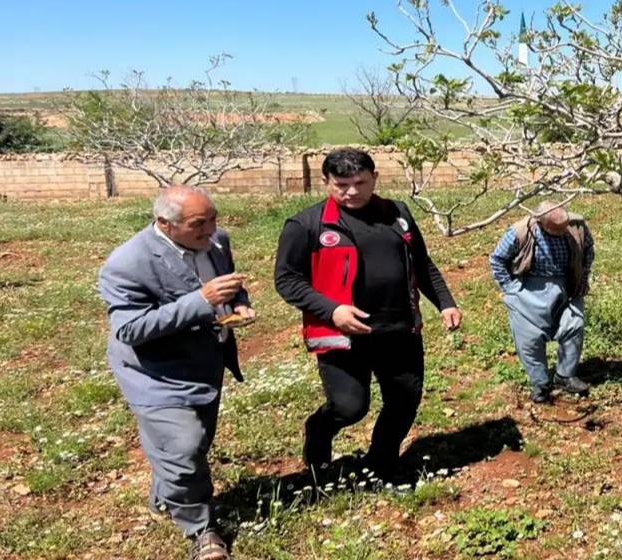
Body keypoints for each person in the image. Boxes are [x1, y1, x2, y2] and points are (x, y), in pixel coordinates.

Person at [274, 148, 462, 481]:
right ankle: (319, 433)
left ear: (375, 178)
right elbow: (287, 280)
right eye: (341, 184)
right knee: (350, 407)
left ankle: (382, 461)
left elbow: (422, 262)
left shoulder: (397, 214)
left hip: (399, 329)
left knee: (404, 400)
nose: (351, 192)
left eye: (360, 182)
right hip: (344, 335)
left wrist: (445, 302)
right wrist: (332, 311)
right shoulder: (306, 225)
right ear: (326, 182)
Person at [100, 186, 252, 560]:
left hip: (203, 364)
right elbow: (130, 329)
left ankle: (166, 490)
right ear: (165, 224)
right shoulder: (127, 263)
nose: (212, 229)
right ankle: (202, 530)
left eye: (214, 218)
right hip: (155, 373)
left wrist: (239, 304)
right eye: (200, 224)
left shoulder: (217, 242)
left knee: (194, 443)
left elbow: (228, 286)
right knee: (184, 449)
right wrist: (201, 301)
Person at [490, 200, 595, 404]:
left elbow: (589, 249)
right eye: (556, 230)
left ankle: (565, 376)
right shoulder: (520, 231)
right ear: (540, 222)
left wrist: (583, 276)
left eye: (565, 227)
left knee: (574, 325)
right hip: (529, 289)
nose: (563, 231)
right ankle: (541, 384)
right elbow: (497, 259)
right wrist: (512, 290)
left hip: (567, 285)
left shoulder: (576, 225)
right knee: (529, 339)